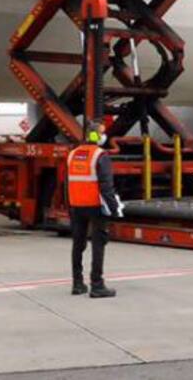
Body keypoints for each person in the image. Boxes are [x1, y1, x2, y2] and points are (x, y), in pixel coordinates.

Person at [66, 122, 123, 298]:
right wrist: (114, 209)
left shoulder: (73, 154)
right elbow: (106, 186)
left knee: (78, 244)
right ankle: (97, 285)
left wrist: (69, 206)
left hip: (76, 206)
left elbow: (67, 183)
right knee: (98, 244)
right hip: (95, 206)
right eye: (101, 133)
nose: (103, 136)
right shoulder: (100, 156)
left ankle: (77, 283)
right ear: (95, 136)